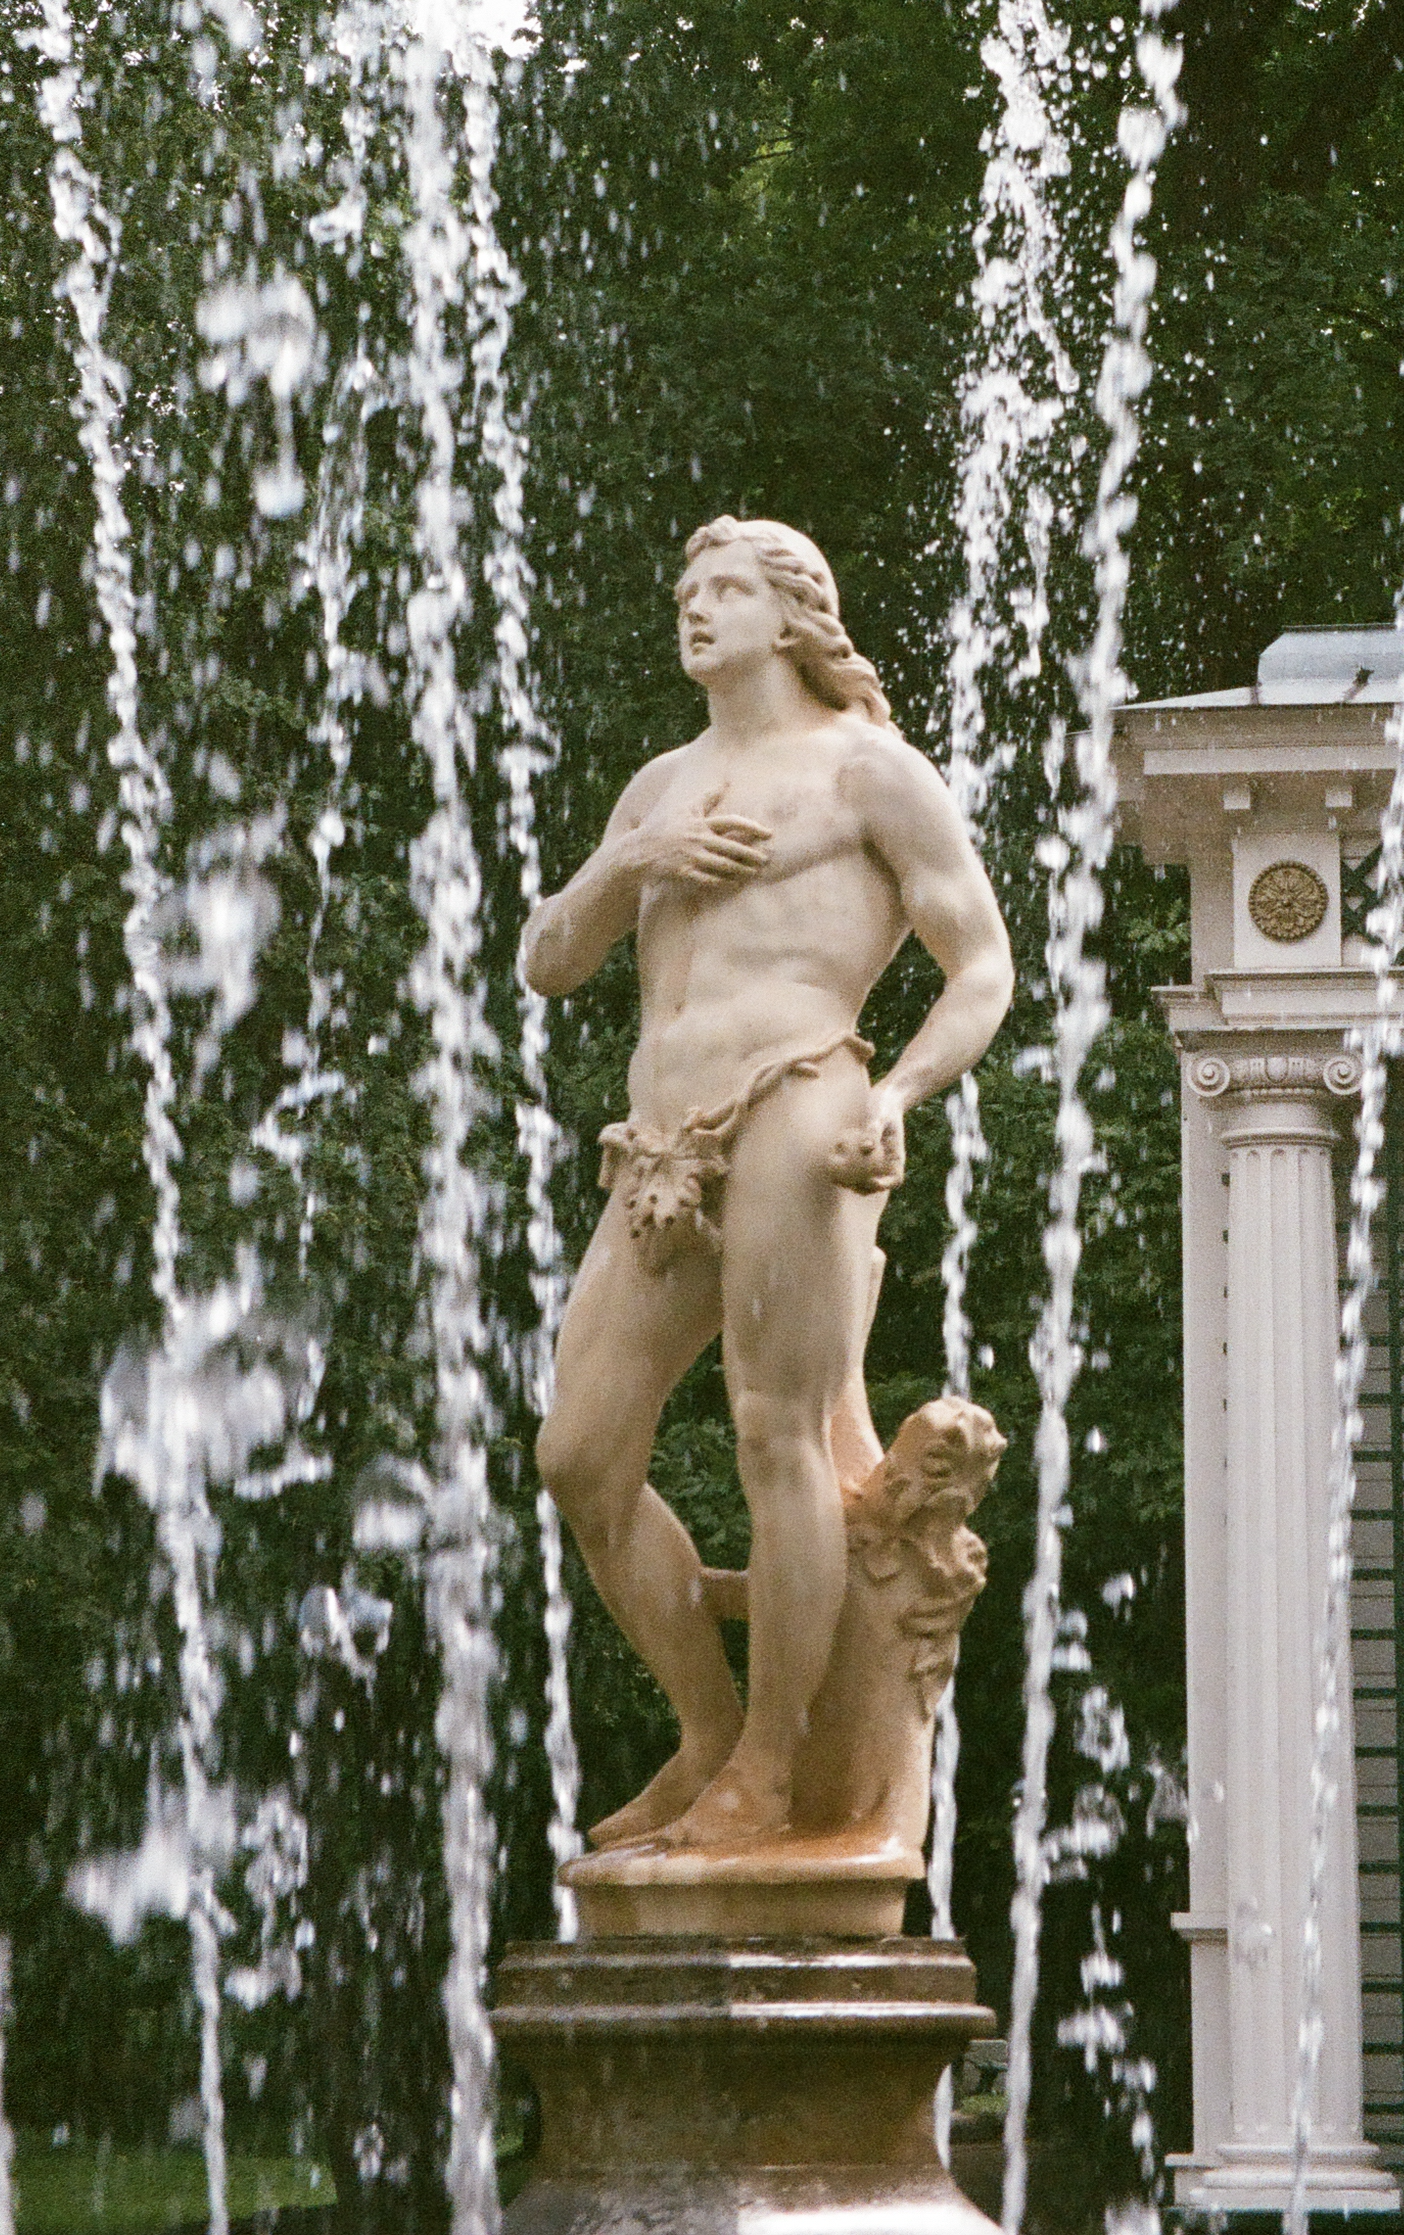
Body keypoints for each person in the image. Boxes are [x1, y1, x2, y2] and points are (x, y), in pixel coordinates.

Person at [520, 515, 1014, 1854]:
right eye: (685, 589)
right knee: (579, 1455)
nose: (696, 609)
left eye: (725, 588)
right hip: (660, 1141)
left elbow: (983, 967)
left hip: (803, 1100)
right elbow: (548, 960)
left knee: (772, 1438)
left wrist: (899, 1095)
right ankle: (704, 1730)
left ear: (793, 613)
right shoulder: (660, 789)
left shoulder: (869, 771)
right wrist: (634, 862)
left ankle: (771, 1770)